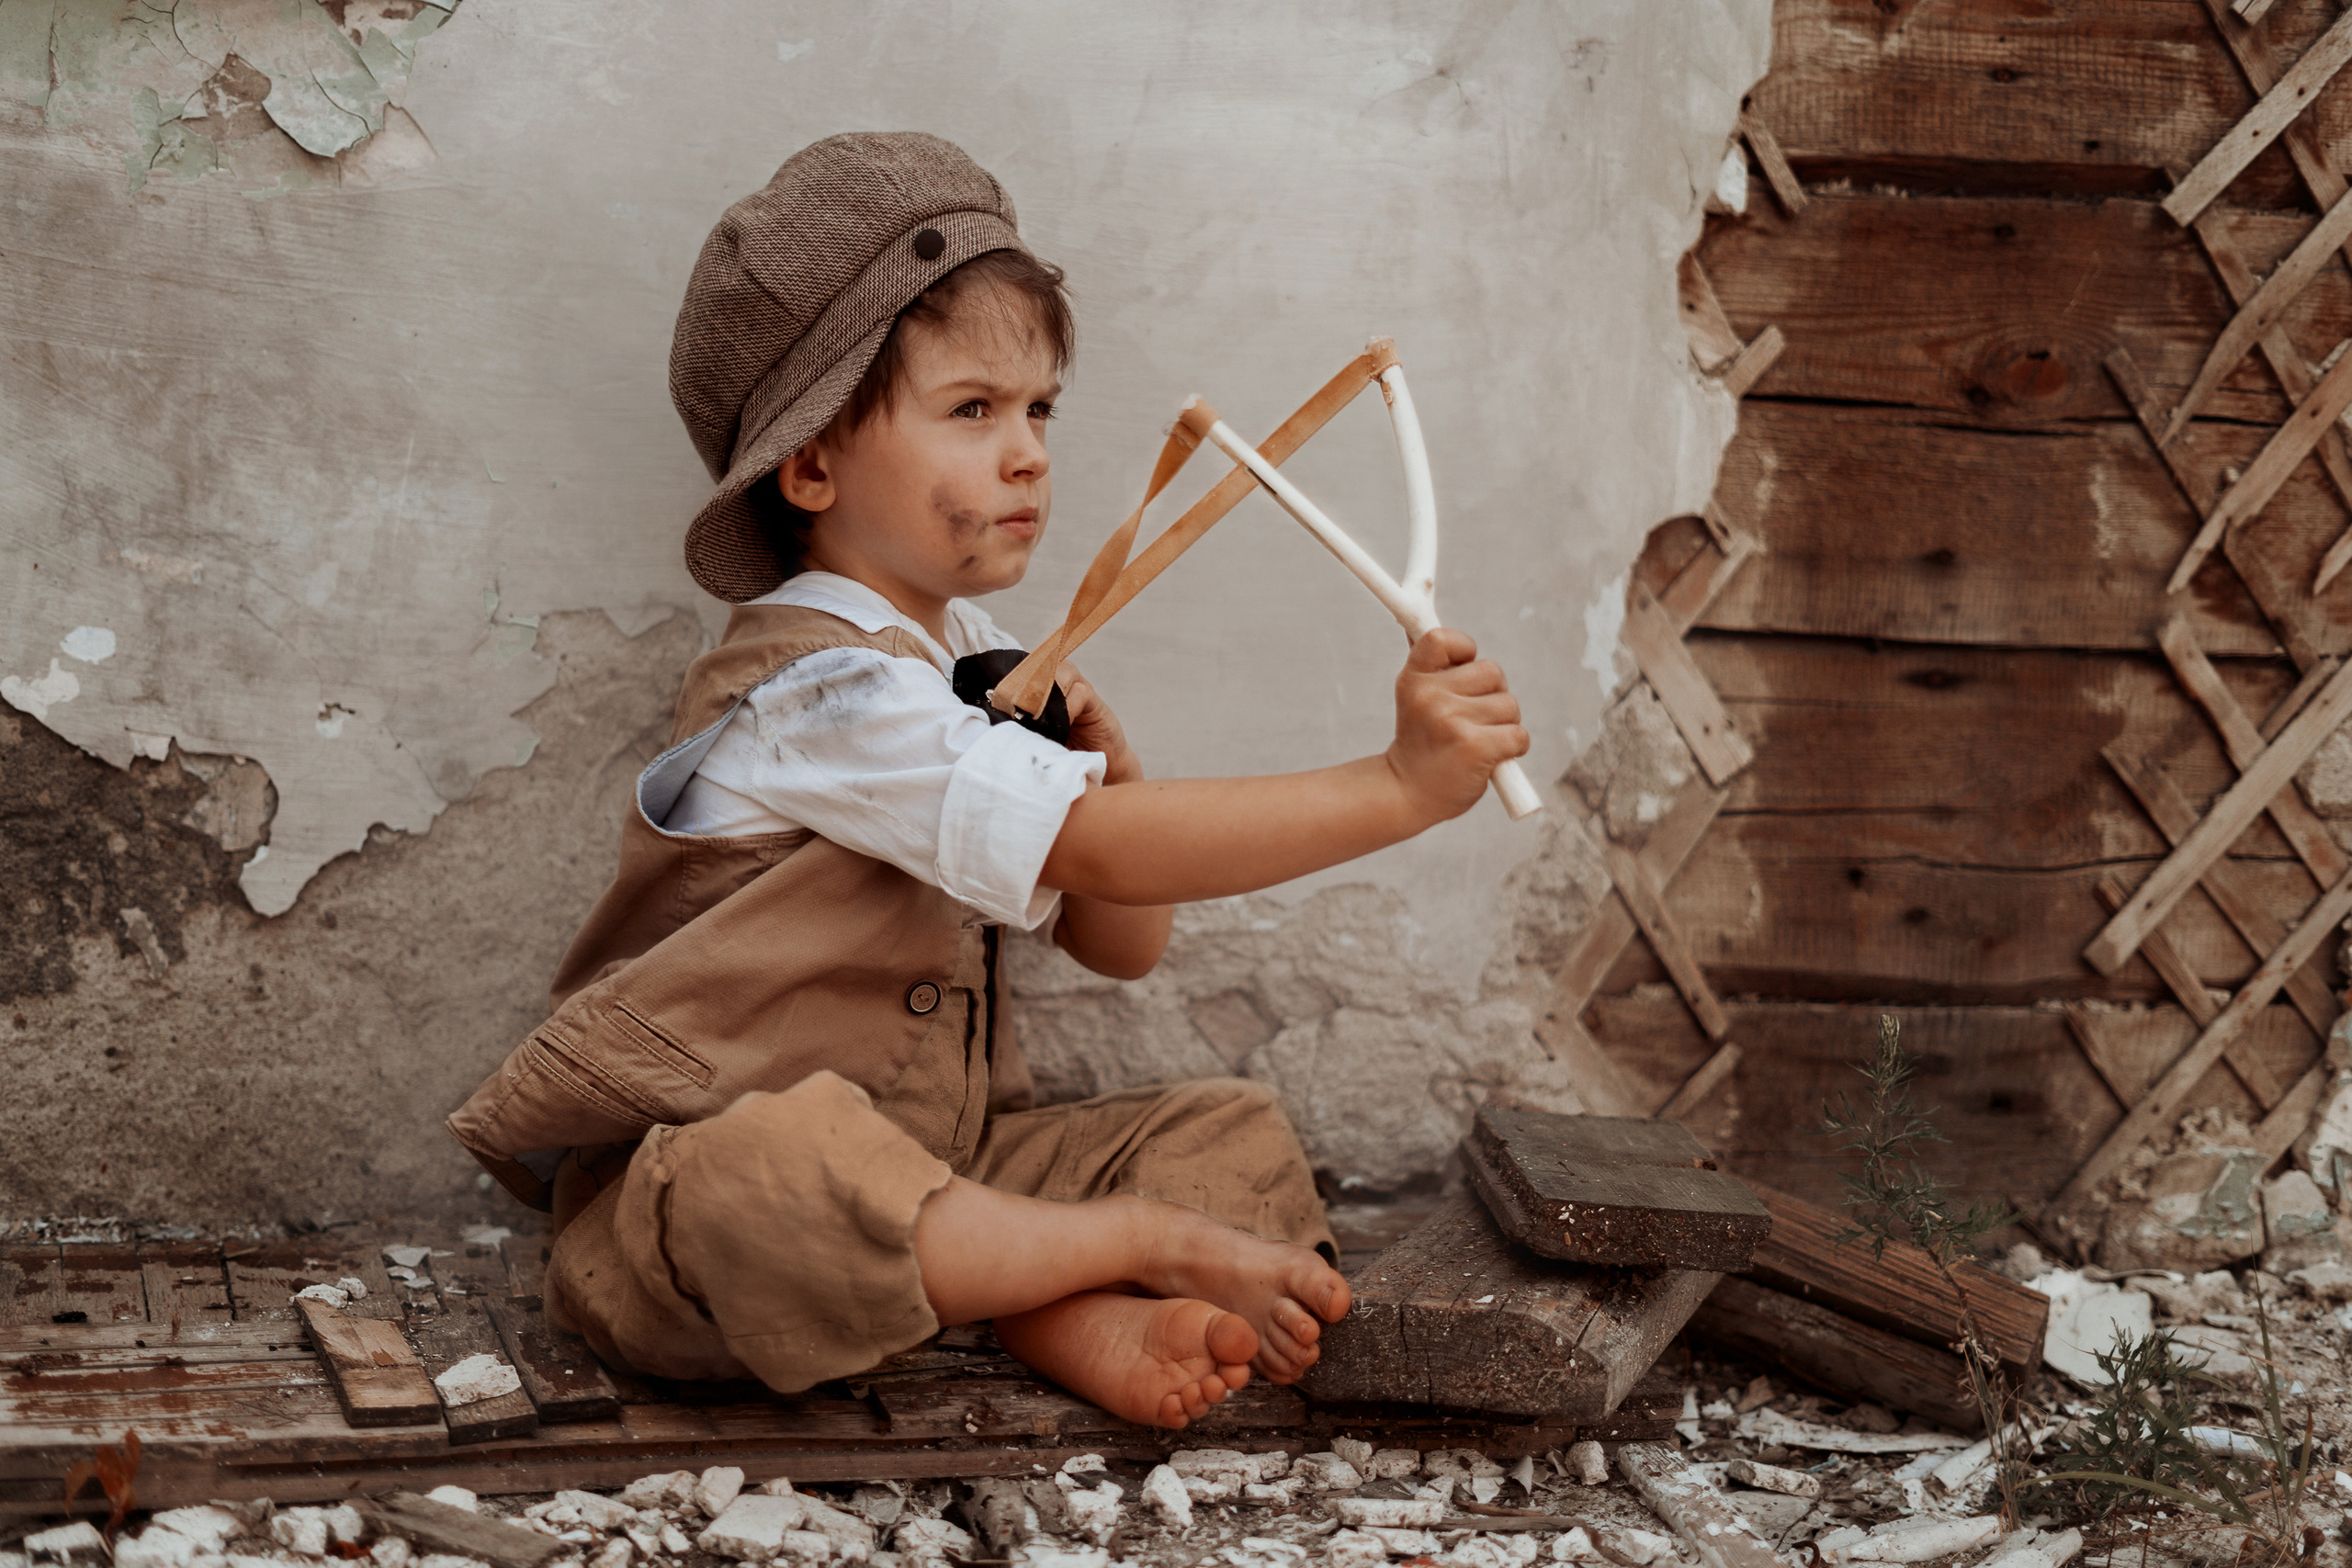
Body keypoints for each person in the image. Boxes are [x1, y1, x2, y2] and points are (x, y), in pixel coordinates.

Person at [447, 131, 1529, 1430]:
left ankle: (1041, 1301)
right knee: (770, 1178)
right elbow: (1093, 853)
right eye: (973, 411)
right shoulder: (823, 693)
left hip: (948, 1170)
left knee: (1228, 1130)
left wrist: (1109, 776)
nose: (1028, 454)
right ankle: (1126, 1252)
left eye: (1038, 410)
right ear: (811, 466)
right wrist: (1400, 788)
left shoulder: (975, 662)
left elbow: (1122, 944)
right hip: (709, 1190)